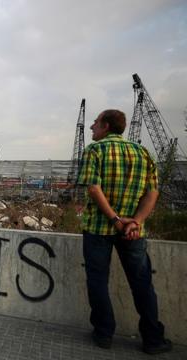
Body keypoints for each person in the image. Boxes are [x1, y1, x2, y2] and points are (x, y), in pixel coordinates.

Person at [76, 109, 171, 354]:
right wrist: (135, 222)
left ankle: (104, 334)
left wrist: (116, 220)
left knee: (98, 281)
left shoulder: (94, 151)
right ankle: (153, 339)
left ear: (106, 126)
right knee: (142, 283)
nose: (91, 128)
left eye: (95, 123)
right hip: (133, 232)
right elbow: (152, 192)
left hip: (99, 228)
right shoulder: (143, 153)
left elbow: (94, 189)